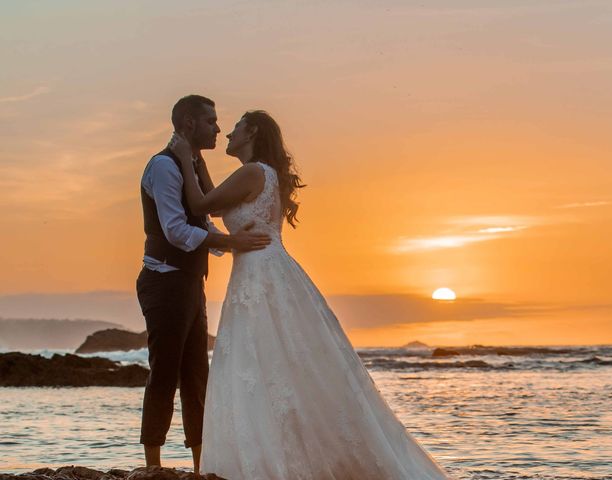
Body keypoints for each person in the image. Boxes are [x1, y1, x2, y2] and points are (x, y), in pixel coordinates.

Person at [169, 110, 453, 479]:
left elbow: (199, 206)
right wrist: (199, 162)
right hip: (265, 270)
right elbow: (216, 202)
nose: (227, 133)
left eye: (235, 126)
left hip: (259, 276)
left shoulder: (253, 172)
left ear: (251, 131)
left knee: (260, 361)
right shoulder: (260, 174)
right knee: (273, 364)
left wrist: (183, 161)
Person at [136, 95, 271, 473]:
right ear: (188, 124)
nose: (217, 128)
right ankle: (153, 466)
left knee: (197, 374)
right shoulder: (164, 167)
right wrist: (230, 242)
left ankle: (200, 465)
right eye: (211, 121)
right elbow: (175, 230)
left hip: (189, 281)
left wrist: (226, 243)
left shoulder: (190, 163)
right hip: (163, 280)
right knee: (164, 370)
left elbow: (200, 222)